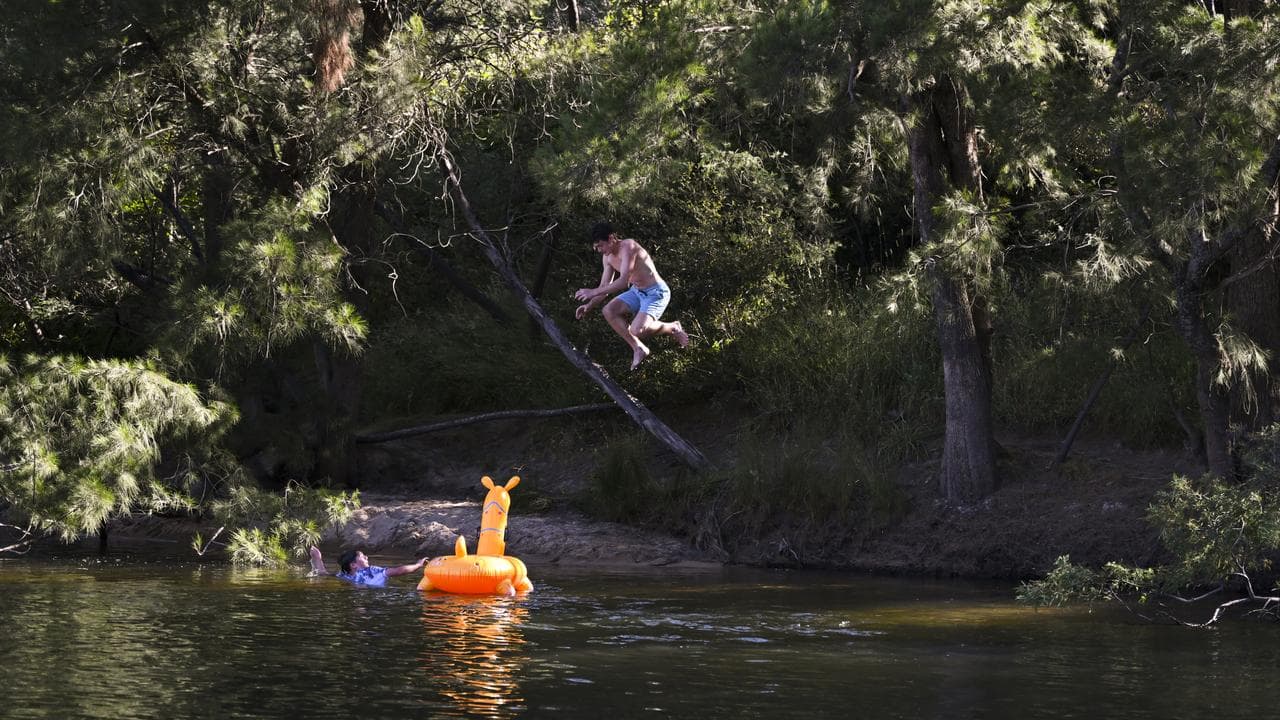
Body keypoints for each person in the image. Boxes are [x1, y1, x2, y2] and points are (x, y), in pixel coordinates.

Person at [573, 221, 690, 370]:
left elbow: (623, 282)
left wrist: (592, 292)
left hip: (656, 293)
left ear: (611, 238)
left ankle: (672, 327)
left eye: (601, 245)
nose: (599, 250)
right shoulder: (607, 257)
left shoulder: (628, 246)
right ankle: (638, 348)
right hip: (637, 291)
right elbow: (604, 288)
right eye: (596, 247)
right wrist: (589, 305)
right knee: (608, 311)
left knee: (637, 330)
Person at [308, 545, 427, 588]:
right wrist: (418, 565)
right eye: (362, 556)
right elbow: (399, 570)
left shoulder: (344, 575)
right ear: (353, 565)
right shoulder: (372, 571)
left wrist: (318, 558)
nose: (366, 557)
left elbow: (323, 573)